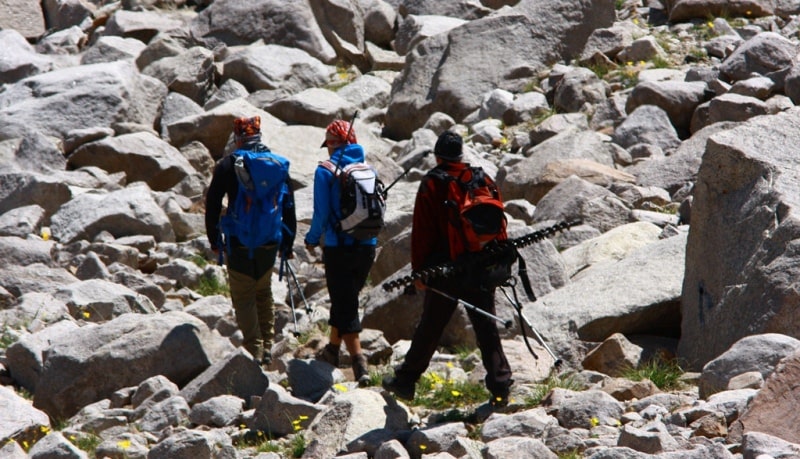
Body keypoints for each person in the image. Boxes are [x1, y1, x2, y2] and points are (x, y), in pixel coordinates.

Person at [382, 130, 513, 407]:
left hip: (446, 270)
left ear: (437, 156)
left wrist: (420, 273)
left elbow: (422, 233)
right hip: (480, 263)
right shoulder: (479, 177)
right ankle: (501, 383)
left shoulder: (432, 183)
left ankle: (406, 380)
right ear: (461, 154)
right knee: (486, 325)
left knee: (431, 326)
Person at [205, 116, 296, 367]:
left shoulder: (227, 165)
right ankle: (268, 344)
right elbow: (288, 205)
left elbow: (212, 204)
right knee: (263, 291)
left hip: (239, 239)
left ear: (237, 138)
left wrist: (214, 238)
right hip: (270, 239)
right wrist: (288, 243)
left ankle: (254, 348)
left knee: (244, 295)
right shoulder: (276, 164)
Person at [304, 119, 375, 386]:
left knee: (345, 303)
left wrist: (311, 239)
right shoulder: (369, 168)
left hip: (338, 247)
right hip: (367, 246)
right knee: (346, 299)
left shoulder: (325, 171)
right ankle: (332, 351)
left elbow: (321, 213)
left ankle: (359, 362)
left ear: (333, 144)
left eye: (329, 145)